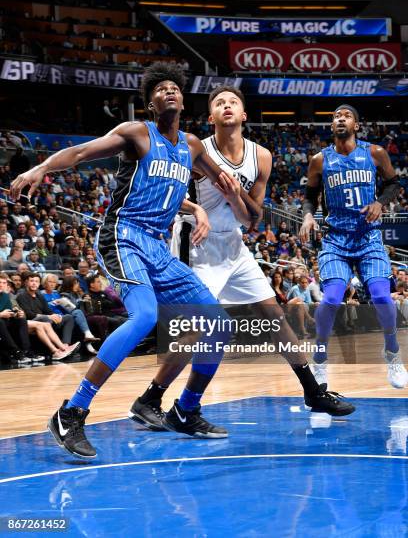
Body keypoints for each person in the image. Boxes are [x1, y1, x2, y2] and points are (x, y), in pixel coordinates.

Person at [10, 61, 261, 459]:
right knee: (143, 316)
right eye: (159, 90)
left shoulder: (193, 146)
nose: (169, 92)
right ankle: (71, 412)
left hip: (158, 248)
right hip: (123, 237)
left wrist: (204, 207)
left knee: (218, 323)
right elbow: (80, 152)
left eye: (173, 88)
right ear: (150, 106)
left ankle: (185, 410)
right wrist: (42, 167)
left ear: (183, 98)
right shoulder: (136, 135)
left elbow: (217, 187)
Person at [129, 85, 354, 432]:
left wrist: (236, 197)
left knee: (274, 315)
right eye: (219, 103)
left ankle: (313, 391)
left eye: (233, 101)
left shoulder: (260, 156)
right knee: (199, 331)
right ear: (211, 117)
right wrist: (196, 210)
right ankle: (151, 400)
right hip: (196, 243)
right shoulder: (193, 149)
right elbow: (167, 196)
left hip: (233, 244)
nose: (227, 105)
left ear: (244, 114)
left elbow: (253, 219)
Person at [300, 104, 408, 389]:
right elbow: (309, 196)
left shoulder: (374, 153)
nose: (339, 119)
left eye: (345, 116)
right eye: (335, 116)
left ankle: (393, 354)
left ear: (356, 125)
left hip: (368, 237)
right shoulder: (319, 160)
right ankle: (320, 359)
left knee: (382, 297)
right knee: (332, 298)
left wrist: (380, 203)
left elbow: (394, 184)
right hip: (336, 239)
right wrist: (309, 215)